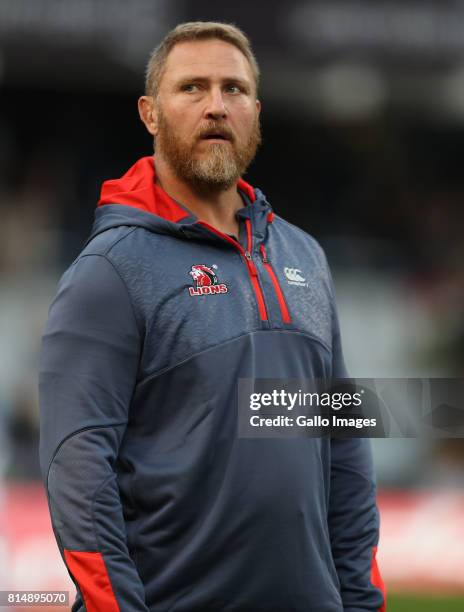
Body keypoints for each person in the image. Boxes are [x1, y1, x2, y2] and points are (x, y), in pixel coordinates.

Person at [39, 21, 386, 612]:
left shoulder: (304, 256)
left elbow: (343, 451)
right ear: (150, 114)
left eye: (234, 89)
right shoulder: (108, 271)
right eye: (192, 88)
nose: (216, 106)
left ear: (256, 110)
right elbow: (77, 468)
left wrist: (361, 600)